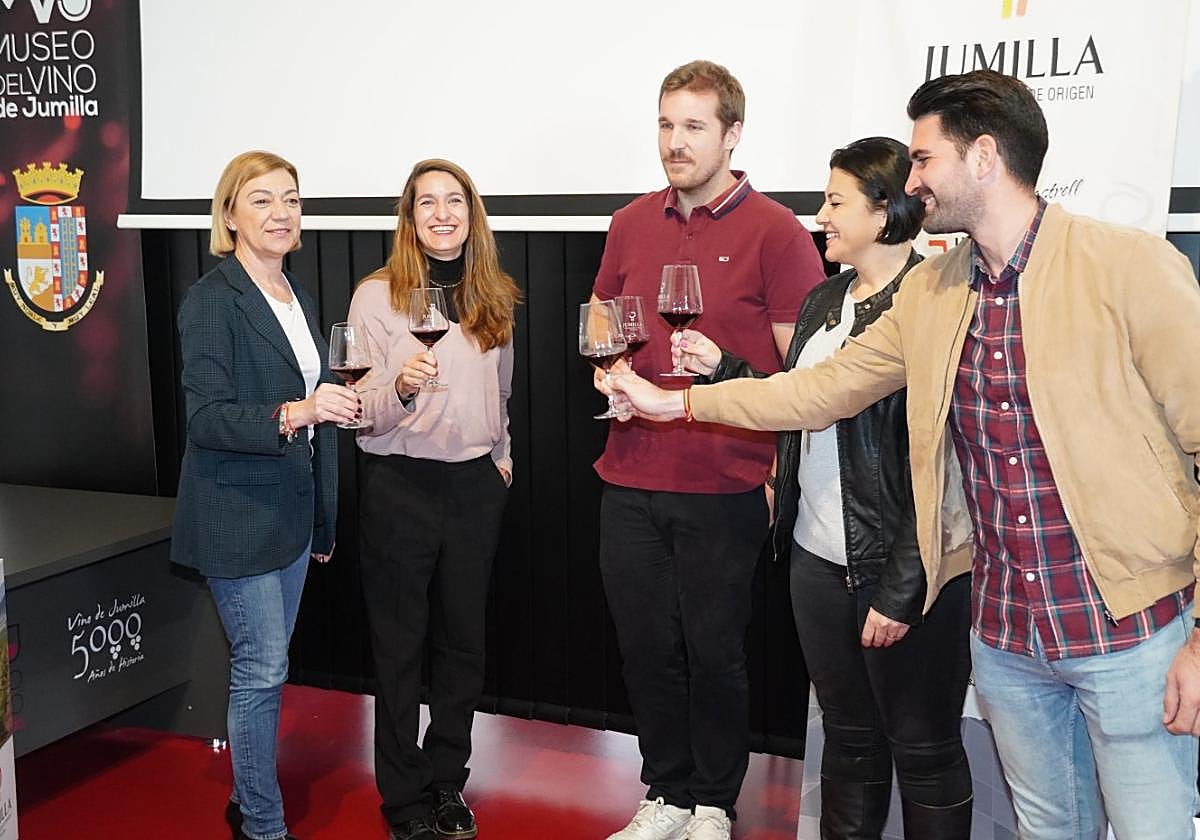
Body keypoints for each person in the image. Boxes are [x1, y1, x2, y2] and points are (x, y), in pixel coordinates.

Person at [609, 68, 1200, 839]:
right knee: (1050, 826)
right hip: (1007, 638)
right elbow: (816, 391)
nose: (911, 177)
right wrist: (678, 402)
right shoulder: (934, 290)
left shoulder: (1128, 268)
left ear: (983, 157)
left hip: (1130, 634)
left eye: (923, 159)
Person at [672, 137, 972, 838]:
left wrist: (903, 584)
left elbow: (946, 462)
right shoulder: (824, 298)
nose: (821, 215)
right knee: (848, 740)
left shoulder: (934, 303)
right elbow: (799, 401)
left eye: (836, 202)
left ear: (887, 209)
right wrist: (724, 371)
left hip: (906, 575)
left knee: (924, 753)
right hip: (815, 560)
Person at [592, 60, 825, 840]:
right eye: (665, 124)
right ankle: (665, 791)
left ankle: (714, 805)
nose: (675, 142)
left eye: (693, 126)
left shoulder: (779, 232)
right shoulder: (629, 222)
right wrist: (610, 372)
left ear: (732, 133)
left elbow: (803, 378)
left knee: (715, 654)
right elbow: (601, 327)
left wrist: (724, 370)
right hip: (628, 476)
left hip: (726, 483)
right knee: (646, 649)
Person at [172, 150, 360, 840]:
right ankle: (262, 824)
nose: (281, 213)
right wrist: (300, 411)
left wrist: (323, 518)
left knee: (266, 671)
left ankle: (248, 797)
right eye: (261, 200)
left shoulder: (295, 295)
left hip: (289, 516)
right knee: (261, 670)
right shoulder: (210, 301)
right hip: (235, 516)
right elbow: (206, 418)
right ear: (230, 215)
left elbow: (314, 412)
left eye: (291, 199)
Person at [349, 159, 520, 840]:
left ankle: (448, 781)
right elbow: (361, 411)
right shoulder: (376, 297)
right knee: (398, 650)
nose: (443, 214)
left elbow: (502, 391)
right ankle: (403, 798)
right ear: (409, 217)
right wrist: (402, 389)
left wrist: (501, 459)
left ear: (471, 214)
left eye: (456, 201)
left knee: (462, 647)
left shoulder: (493, 293)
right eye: (428, 203)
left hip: (474, 489)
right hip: (400, 489)